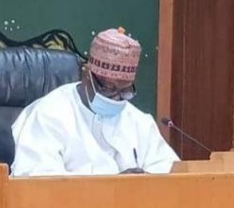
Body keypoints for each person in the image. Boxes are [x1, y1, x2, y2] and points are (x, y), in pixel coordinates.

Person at [10, 27, 179, 176]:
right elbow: (36, 180)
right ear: (86, 75)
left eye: (125, 90)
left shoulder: (138, 121)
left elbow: (168, 170)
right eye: (108, 88)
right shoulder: (50, 114)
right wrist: (112, 188)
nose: (117, 99)